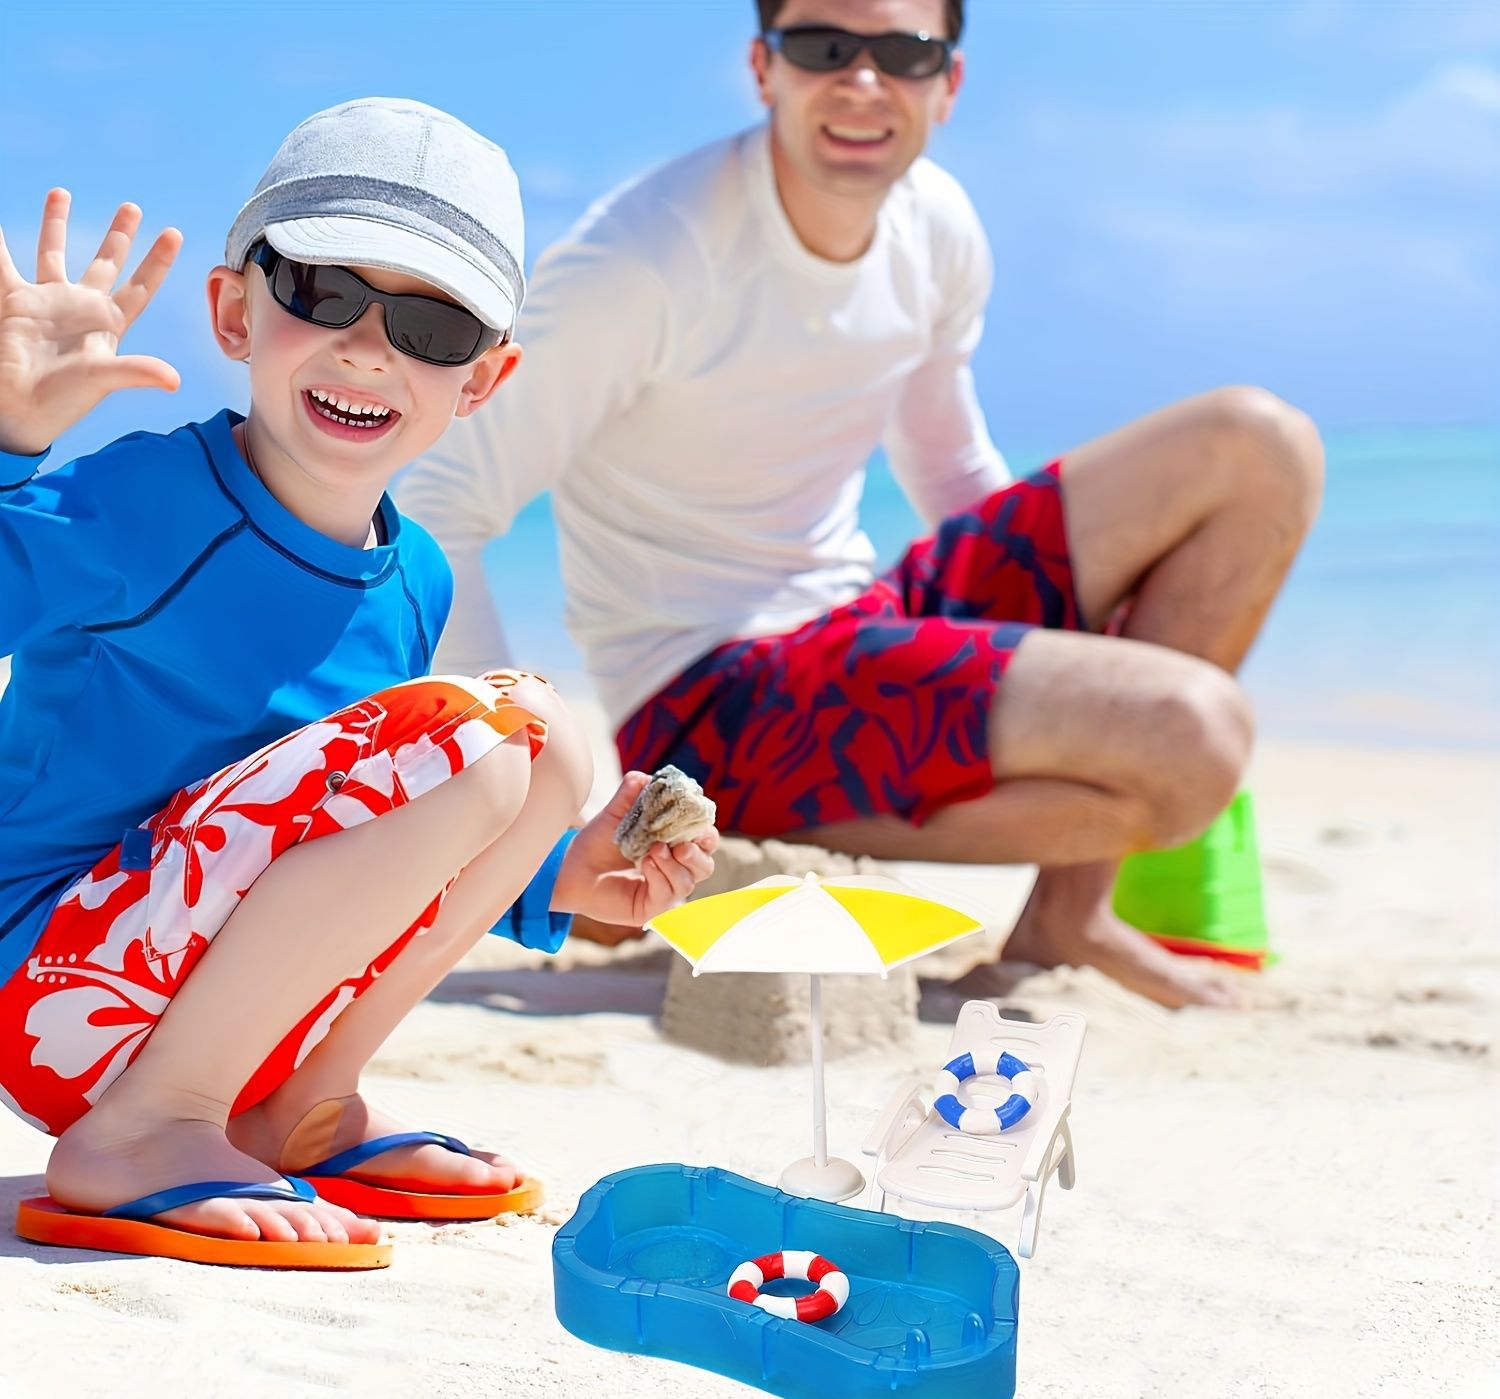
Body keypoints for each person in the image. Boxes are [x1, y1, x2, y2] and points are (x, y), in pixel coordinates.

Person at [399, 0, 1322, 1012]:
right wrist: (537, 825)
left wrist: (1090, 653)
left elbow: (948, 464)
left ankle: (1068, 917)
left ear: (948, 83)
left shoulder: (938, 224)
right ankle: (1000, 841)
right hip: (718, 695)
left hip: (861, 621)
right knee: (1194, 738)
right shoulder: (649, 256)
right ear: (764, 68)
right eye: (823, 47)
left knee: (1257, 444)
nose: (863, 81)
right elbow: (443, 499)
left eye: (905, 51)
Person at [0, 98, 716, 1268]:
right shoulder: (141, 505)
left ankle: (300, 1108)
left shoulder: (414, 573)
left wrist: (564, 878)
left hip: (219, 1016)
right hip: (47, 988)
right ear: (236, 310)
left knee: (552, 748)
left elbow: (362, 822)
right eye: (326, 293)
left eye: (432, 328)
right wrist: (10, 438)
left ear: (483, 381)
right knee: (486, 730)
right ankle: (144, 1134)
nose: (371, 347)